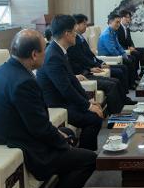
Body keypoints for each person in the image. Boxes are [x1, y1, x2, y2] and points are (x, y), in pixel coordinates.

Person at [0, 29, 96, 188]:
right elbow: (39, 129)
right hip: (22, 147)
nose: (46, 54)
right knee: (88, 159)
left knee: (69, 134)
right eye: (44, 51)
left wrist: (60, 135)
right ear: (34, 54)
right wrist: (61, 141)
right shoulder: (24, 82)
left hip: (12, 136)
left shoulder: (2, 70)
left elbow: (34, 122)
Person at [37, 15, 104, 151]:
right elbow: (66, 89)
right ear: (67, 34)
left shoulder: (60, 51)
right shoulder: (53, 56)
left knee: (94, 114)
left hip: (65, 100)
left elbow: (72, 81)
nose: (76, 35)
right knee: (94, 118)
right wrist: (88, 107)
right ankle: (86, 155)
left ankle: (87, 154)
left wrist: (88, 101)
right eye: (74, 31)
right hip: (56, 104)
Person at [67, 14, 135, 110]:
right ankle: (116, 113)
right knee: (116, 78)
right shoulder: (74, 42)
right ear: (76, 25)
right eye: (84, 24)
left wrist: (100, 63)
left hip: (90, 67)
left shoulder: (80, 38)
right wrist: (91, 68)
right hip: (85, 72)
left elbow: (90, 55)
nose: (86, 27)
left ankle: (123, 100)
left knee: (117, 78)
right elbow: (81, 59)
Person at [98, 13, 139, 85]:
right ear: (110, 22)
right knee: (128, 63)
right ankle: (131, 84)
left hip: (113, 56)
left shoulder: (113, 32)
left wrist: (123, 54)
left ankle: (132, 81)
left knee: (131, 58)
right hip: (108, 58)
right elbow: (112, 50)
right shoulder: (106, 34)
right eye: (117, 22)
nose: (118, 24)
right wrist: (122, 57)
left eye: (119, 22)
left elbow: (118, 46)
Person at [117, 10, 144, 76]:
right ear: (122, 18)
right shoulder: (118, 28)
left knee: (142, 50)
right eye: (127, 17)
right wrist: (128, 50)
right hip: (123, 50)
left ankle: (143, 70)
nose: (129, 19)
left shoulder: (127, 28)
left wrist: (132, 46)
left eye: (129, 18)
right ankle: (135, 74)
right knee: (136, 53)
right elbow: (117, 43)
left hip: (128, 48)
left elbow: (130, 41)